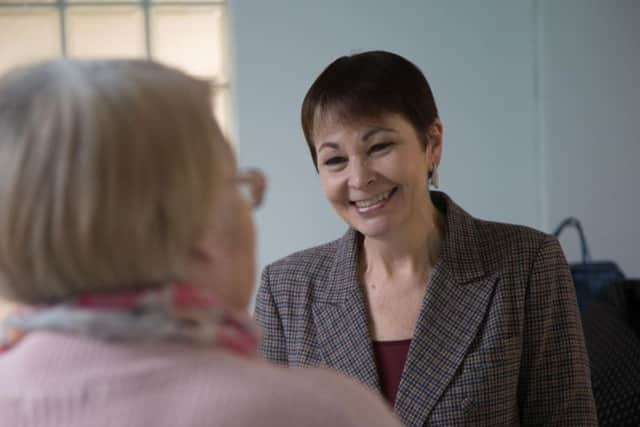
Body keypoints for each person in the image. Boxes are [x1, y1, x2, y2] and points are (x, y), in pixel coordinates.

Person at [0, 59, 403, 427]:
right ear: (201, 227)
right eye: (238, 185)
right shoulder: (321, 413)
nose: (359, 177)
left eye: (380, 146)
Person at [254, 50, 598, 426]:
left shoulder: (528, 264)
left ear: (432, 143)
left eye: (379, 147)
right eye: (335, 160)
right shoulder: (284, 290)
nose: (359, 178)